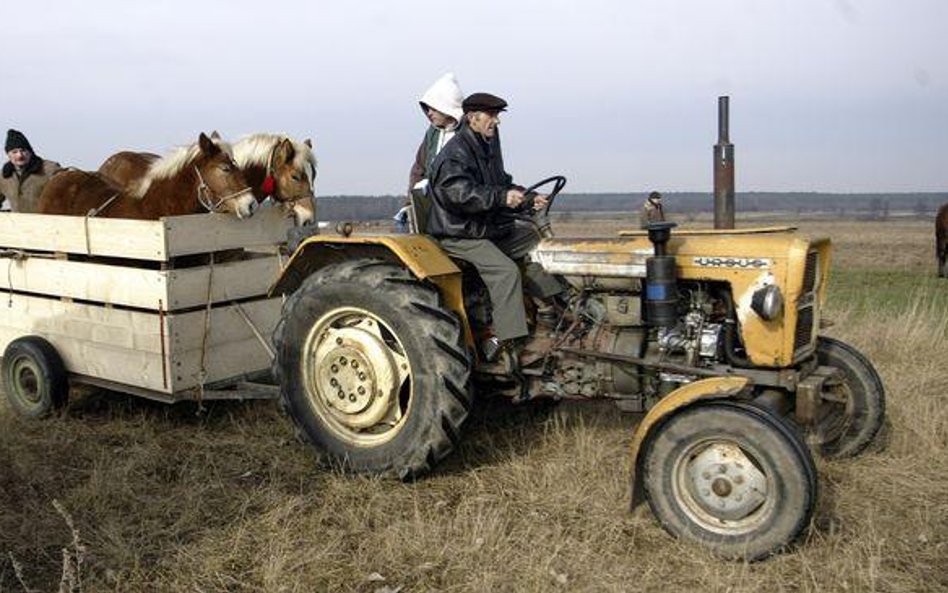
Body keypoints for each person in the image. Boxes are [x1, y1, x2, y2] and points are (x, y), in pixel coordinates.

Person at [428, 92, 561, 366]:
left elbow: (502, 182)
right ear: (472, 118)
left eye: (497, 116)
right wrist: (501, 198)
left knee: (536, 243)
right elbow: (457, 194)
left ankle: (556, 308)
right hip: (458, 233)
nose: (496, 122)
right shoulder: (455, 154)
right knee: (505, 271)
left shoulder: (486, 147)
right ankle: (505, 343)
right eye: (491, 116)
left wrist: (526, 197)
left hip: (482, 228)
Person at [408, 72, 464, 195]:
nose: (429, 113)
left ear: (446, 106)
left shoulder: (467, 133)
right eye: (427, 109)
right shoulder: (432, 134)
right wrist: (412, 201)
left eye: (433, 108)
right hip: (432, 203)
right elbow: (419, 169)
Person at [0, 129, 62, 212]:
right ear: (8, 155)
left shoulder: (50, 169)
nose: (20, 155)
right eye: (14, 152)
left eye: (23, 151)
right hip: (17, 223)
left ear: (30, 152)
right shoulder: (4, 176)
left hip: (46, 222)